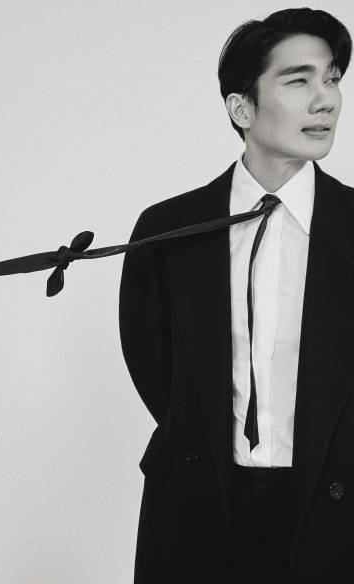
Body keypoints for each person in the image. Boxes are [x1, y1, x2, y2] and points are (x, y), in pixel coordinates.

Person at [119, 8, 353, 583]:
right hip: (198, 508)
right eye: (298, 80)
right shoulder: (168, 229)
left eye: (332, 79)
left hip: (335, 514)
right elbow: (155, 366)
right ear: (241, 108)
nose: (325, 100)